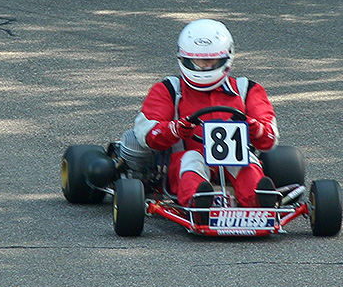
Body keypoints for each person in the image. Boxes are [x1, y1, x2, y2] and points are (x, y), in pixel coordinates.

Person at [113, 19, 279, 216]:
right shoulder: (169, 90)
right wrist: (174, 129)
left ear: (226, 59)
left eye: (210, 62)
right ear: (184, 59)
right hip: (183, 162)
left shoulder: (246, 90)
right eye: (197, 62)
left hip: (235, 158)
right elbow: (147, 134)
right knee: (192, 159)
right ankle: (198, 203)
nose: (203, 67)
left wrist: (254, 127)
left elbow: (269, 139)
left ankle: (259, 200)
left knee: (247, 160)